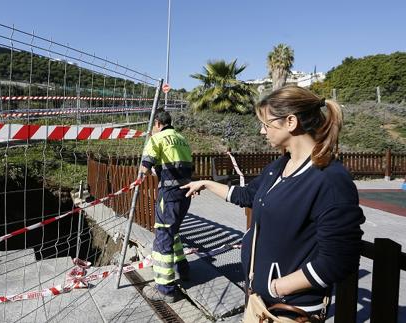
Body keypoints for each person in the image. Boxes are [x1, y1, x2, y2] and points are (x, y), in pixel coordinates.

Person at [181, 86, 364, 319]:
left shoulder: (331, 180)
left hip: (289, 311)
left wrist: (276, 287)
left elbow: (338, 261)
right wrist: (206, 184)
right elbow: (248, 195)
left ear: (290, 122)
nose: (261, 131)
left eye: (266, 124)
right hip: (259, 303)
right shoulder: (278, 167)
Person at [139, 109, 193, 303]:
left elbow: (145, 166)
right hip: (185, 195)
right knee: (174, 232)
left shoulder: (157, 138)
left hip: (168, 196)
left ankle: (165, 289)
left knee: (163, 237)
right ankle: (183, 270)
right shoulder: (182, 138)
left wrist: (139, 179)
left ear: (157, 124)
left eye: (153, 126)